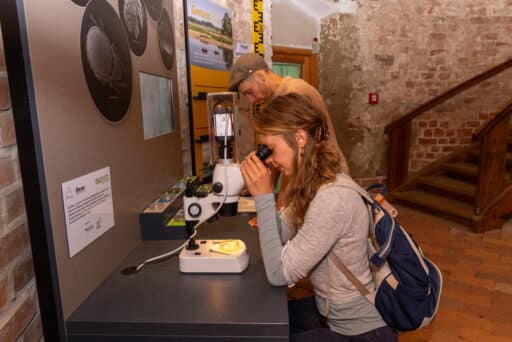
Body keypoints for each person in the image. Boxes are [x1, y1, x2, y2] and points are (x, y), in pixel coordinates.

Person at [240, 93, 397, 342]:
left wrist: (263, 197)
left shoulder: (332, 197)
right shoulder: (312, 182)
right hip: (330, 312)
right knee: (259, 325)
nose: (267, 159)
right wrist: (266, 188)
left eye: (270, 149)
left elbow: (279, 274)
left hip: (363, 331)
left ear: (300, 139)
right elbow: (281, 232)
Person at [229, 53, 349, 174]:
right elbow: (278, 155)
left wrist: (266, 193)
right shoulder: (273, 102)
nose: (251, 101)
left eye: (250, 92)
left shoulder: (296, 92)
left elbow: (295, 155)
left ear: (260, 76)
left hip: (327, 175)